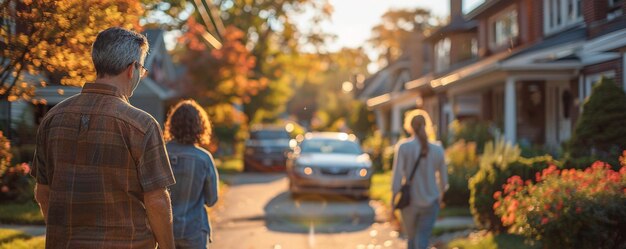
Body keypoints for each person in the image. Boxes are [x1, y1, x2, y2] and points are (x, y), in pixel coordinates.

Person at [31, 27, 176, 249]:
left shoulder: (52, 119)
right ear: (131, 69)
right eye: (142, 69)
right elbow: (157, 199)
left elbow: (43, 193)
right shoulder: (142, 125)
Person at [163, 100, 219, 249]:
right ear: (200, 126)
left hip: (162, 231)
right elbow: (211, 200)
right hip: (194, 230)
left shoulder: (160, 152)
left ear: (172, 125)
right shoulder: (204, 158)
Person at [391, 109, 448, 249]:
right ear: (426, 125)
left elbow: (397, 176)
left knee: (412, 239)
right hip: (431, 202)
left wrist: (393, 200)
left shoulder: (403, 147)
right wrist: (440, 197)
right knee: (422, 237)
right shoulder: (438, 148)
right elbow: (444, 180)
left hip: (409, 202)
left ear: (409, 126)